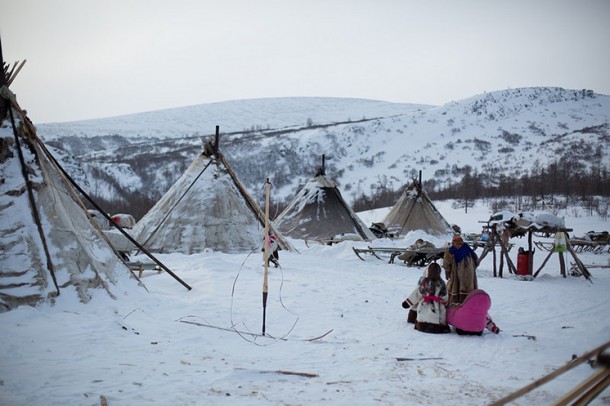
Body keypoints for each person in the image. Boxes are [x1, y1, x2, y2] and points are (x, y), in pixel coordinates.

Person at [401, 263, 450, 334]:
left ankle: (421, 324)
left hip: (424, 308)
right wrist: (444, 303)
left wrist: (407, 303)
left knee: (422, 313)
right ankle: (437, 326)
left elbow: (417, 294)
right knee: (440, 314)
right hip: (436, 311)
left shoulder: (424, 282)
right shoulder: (442, 283)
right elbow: (445, 297)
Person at [443, 235, 478, 305]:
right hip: (470, 275)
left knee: (455, 287)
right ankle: (469, 304)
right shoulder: (468, 249)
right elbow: (476, 260)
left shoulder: (450, 251)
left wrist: (447, 274)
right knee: (469, 289)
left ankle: (456, 305)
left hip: (458, 274)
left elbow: (446, 264)